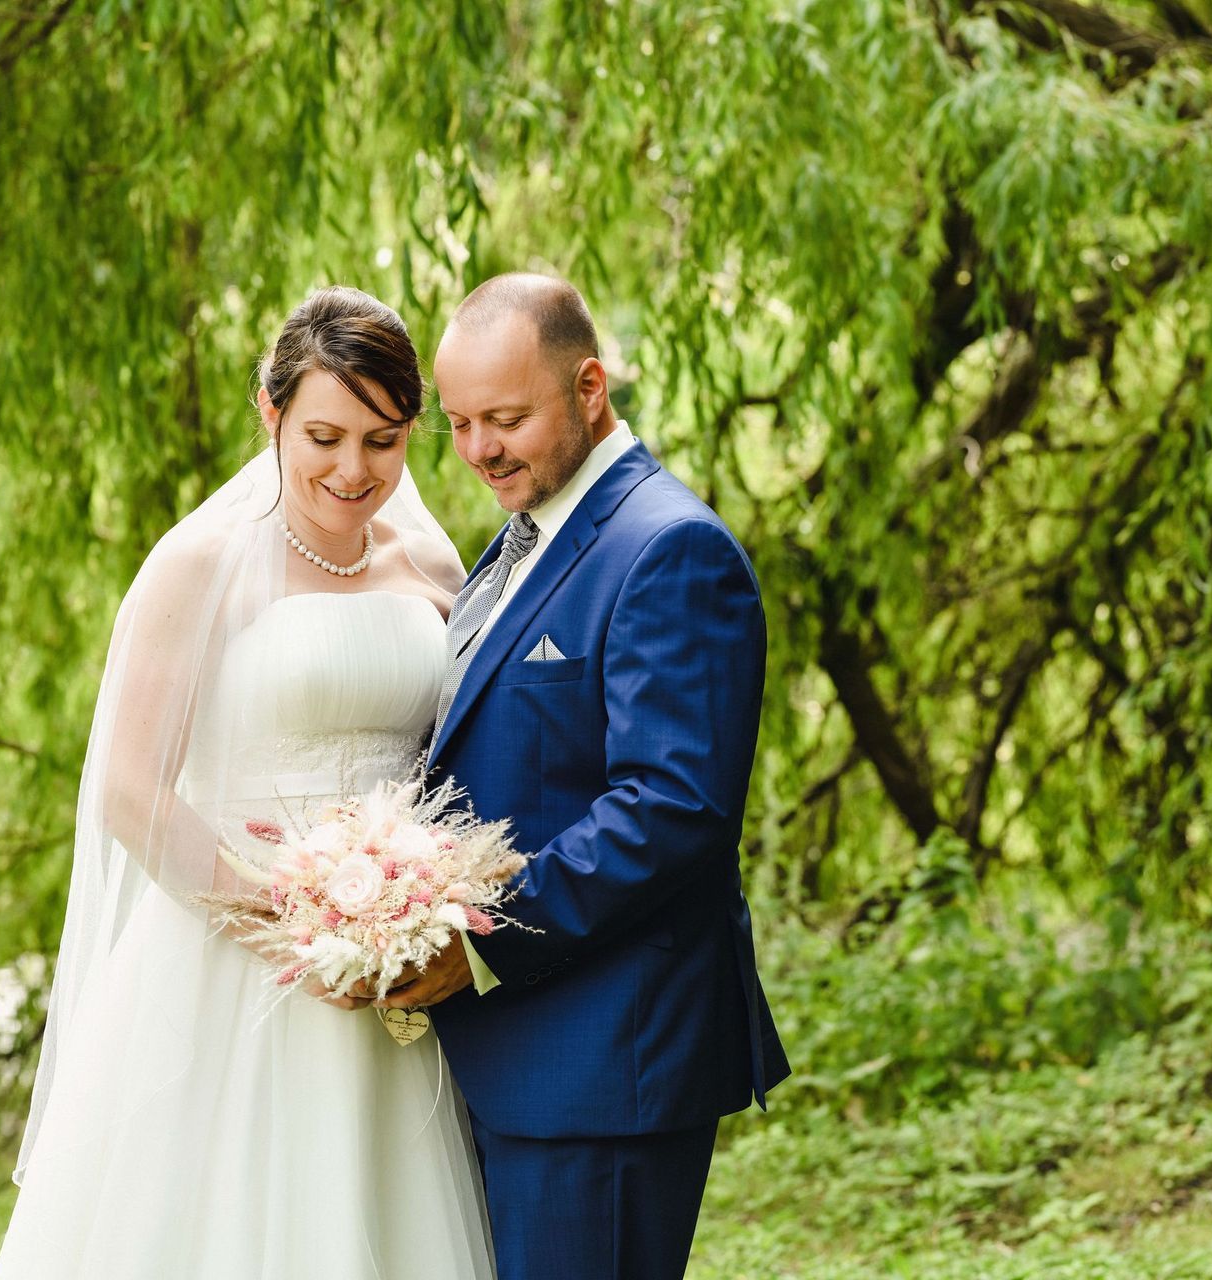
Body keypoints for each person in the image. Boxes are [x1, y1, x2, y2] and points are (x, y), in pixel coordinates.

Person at [0, 286, 494, 1278]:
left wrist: (406, 909)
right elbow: (131, 789)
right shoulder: (201, 564)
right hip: (230, 955)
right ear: (270, 412)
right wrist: (294, 924)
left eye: (384, 441)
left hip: (388, 962)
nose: (353, 470)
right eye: (324, 436)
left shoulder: (431, 561)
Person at [376, 272, 790, 1280]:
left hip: (605, 1067)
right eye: (460, 423)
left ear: (590, 388)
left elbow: (671, 808)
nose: (479, 450)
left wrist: (481, 942)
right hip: (512, 1062)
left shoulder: (669, 548)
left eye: (507, 419)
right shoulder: (522, 538)